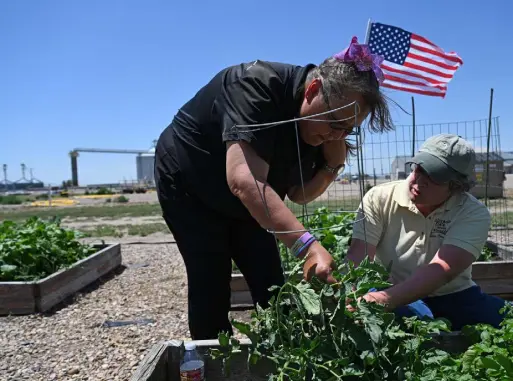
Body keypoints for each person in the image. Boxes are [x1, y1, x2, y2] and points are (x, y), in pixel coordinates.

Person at [154, 36, 394, 339]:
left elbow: (298, 194)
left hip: (251, 198)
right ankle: (212, 360)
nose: (338, 135)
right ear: (313, 90)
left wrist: (332, 167)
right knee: (210, 278)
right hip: (190, 181)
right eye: (335, 123)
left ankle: (283, 351)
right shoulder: (255, 85)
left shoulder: (322, 127)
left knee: (270, 280)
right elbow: (244, 180)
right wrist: (308, 246)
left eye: (348, 129)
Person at [347, 133, 507, 331]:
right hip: (389, 287)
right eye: (419, 169)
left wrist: (383, 300)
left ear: (456, 186)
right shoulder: (379, 198)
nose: (419, 181)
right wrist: (348, 293)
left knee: (505, 319)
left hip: (452, 295)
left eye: (434, 177)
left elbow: (442, 270)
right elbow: (358, 255)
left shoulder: (472, 212)